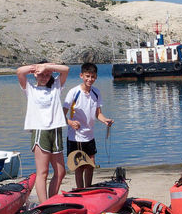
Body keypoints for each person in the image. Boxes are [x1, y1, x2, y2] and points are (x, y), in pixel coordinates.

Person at [16, 60, 70, 203]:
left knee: (60, 172)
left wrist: (47, 67)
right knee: (43, 172)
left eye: (47, 74)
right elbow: (20, 72)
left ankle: (51, 200)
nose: (44, 76)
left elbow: (66, 70)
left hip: (56, 130)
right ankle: (44, 204)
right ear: (35, 75)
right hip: (41, 131)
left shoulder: (56, 87)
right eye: (41, 74)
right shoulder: (30, 89)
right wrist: (36, 68)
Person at [63, 61, 113, 189]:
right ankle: (80, 190)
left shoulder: (96, 92)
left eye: (93, 76)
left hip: (90, 136)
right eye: (87, 76)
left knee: (91, 165)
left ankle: (88, 189)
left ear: (96, 77)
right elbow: (61, 115)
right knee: (79, 166)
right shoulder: (74, 92)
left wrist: (105, 120)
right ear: (81, 76)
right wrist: (70, 122)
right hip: (76, 137)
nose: (90, 79)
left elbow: (98, 114)